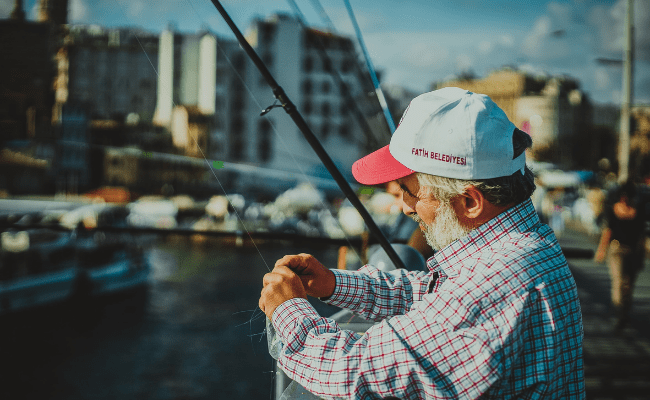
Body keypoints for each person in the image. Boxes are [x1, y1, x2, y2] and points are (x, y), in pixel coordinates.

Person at [259, 87, 585, 399]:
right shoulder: (522, 247)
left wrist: (288, 310)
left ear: (470, 202)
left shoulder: (495, 281)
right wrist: (333, 284)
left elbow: (355, 372)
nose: (404, 205)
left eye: (409, 189)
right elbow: (431, 295)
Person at [594, 181, 645, 331]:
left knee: (628, 285)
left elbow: (642, 236)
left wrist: (642, 254)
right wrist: (601, 250)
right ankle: (619, 311)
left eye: (627, 196)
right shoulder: (612, 210)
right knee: (618, 282)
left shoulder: (638, 211)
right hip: (616, 250)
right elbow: (607, 231)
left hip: (634, 252)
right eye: (622, 196)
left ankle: (624, 312)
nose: (624, 199)